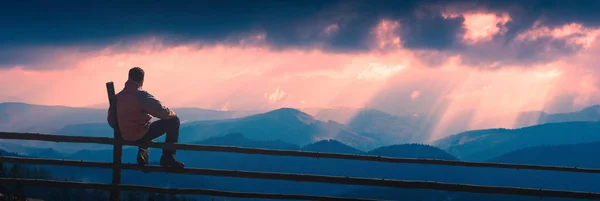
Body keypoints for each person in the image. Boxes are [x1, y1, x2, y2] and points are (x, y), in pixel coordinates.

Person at [107, 67, 184, 168]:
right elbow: (160, 111)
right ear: (142, 80)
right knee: (174, 121)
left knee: (144, 131)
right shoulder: (140, 95)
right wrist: (172, 114)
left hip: (123, 135)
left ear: (129, 78)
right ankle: (167, 157)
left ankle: (143, 152)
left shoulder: (118, 97)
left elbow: (111, 120)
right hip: (140, 134)